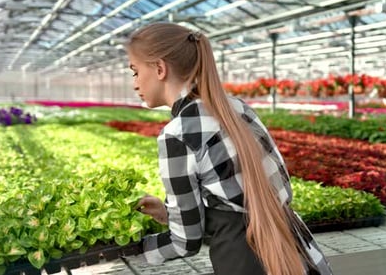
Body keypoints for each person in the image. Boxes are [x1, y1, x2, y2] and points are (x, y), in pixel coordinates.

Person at [126, 22, 333, 275]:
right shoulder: (238, 108)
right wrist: (168, 214)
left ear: (160, 68)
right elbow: (247, 197)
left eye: (135, 71)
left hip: (246, 262)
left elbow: (185, 242)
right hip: (299, 253)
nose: (134, 83)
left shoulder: (176, 135)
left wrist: (132, 248)